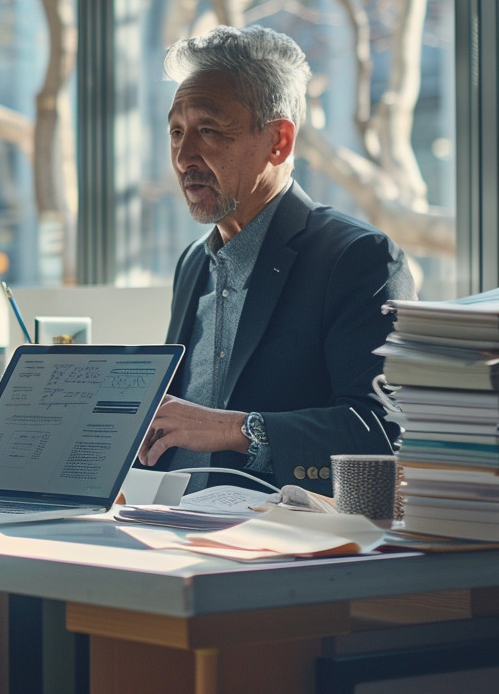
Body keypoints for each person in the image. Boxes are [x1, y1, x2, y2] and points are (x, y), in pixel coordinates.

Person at [136, 25, 415, 495]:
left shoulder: (358, 258)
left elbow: (383, 433)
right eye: (177, 132)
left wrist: (237, 430)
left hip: (279, 543)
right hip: (163, 525)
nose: (184, 156)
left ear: (278, 141)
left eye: (208, 130)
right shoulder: (193, 264)